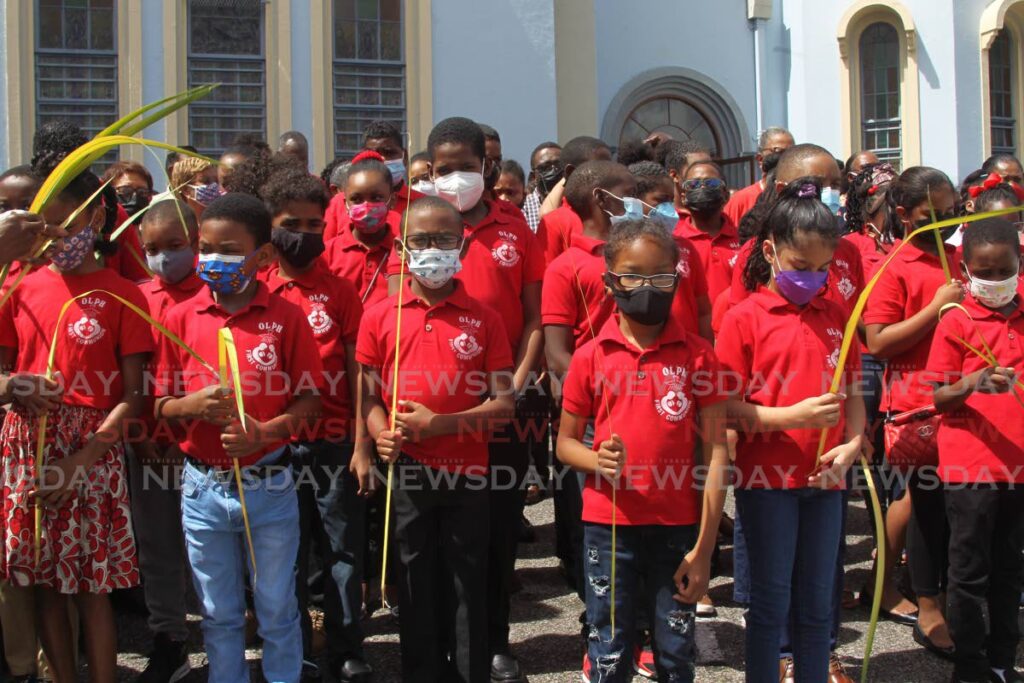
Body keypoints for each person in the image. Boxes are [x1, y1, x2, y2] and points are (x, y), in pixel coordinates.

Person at [387, 116, 544, 682]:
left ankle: (493, 639)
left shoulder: (515, 229)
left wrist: (517, 383)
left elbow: (534, 316)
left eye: (466, 166)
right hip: (431, 415)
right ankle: (431, 653)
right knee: (432, 541)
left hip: (499, 400)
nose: (455, 177)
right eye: (442, 168)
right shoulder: (421, 229)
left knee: (494, 529)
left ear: (488, 167)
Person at [153, 193, 324, 683]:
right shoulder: (181, 316)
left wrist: (266, 433)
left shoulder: (287, 317)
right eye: (205, 247)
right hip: (203, 490)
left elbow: (311, 400)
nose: (211, 259)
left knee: (275, 607)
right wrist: (193, 407)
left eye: (228, 250)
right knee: (218, 611)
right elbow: (160, 405)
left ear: (263, 257)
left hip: (269, 484)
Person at [556, 218, 729, 683]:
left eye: (661, 276)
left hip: (677, 527)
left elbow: (716, 453)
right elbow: (565, 444)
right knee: (609, 646)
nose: (646, 288)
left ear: (678, 277)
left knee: (675, 650)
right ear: (610, 280)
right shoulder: (591, 356)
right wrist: (596, 459)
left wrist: (705, 548)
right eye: (632, 275)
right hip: (607, 527)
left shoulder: (699, 356)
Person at [0, 168, 153, 683]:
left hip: (91, 453)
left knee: (92, 588)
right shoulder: (18, 287)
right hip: (27, 446)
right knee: (44, 583)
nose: (56, 237)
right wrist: (14, 385)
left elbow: (133, 395)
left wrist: (80, 460)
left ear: (95, 217)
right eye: (44, 227)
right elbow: (3, 369)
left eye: (66, 223)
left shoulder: (122, 292)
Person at [355, 196, 515, 682]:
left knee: (468, 578)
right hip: (407, 472)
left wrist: (439, 424)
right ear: (403, 247)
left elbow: (504, 406)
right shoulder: (382, 314)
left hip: (467, 472)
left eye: (444, 240)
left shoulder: (485, 317)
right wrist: (380, 434)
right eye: (421, 241)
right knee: (415, 577)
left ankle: (470, 673)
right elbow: (367, 396)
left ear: (462, 243)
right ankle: (422, 671)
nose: (433, 250)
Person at [718, 178, 866, 683]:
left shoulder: (836, 314)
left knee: (818, 602)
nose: (813, 279)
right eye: (801, 267)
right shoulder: (745, 319)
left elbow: (854, 393)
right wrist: (792, 417)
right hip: (768, 482)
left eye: (824, 269)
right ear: (770, 252)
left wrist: (851, 445)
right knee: (771, 601)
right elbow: (725, 409)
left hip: (826, 482)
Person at [262, 169, 371, 683]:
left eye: (312, 223)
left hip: (333, 442)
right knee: (286, 556)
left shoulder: (340, 290)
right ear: (271, 228)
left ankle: (349, 649)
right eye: (290, 224)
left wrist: (360, 440)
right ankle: (296, 649)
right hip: (275, 447)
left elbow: (357, 370)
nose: (303, 234)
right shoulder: (257, 287)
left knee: (343, 550)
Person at [864, 166, 964, 659]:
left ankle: (959, 597)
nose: (946, 221)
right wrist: (937, 309)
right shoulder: (892, 267)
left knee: (965, 511)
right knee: (929, 511)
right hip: (919, 404)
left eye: (952, 212)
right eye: (934, 215)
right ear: (903, 215)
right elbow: (877, 341)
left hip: (968, 400)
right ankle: (929, 604)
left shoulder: (965, 260)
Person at [928, 218, 1024, 683]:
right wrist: (973, 382)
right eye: (984, 273)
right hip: (971, 467)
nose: (996, 281)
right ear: (965, 271)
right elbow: (938, 396)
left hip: (1019, 467)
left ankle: (1003, 660)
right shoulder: (957, 321)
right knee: (968, 572)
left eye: (1005, 270)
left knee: (1010, 569)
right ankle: (970, 665)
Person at [840, 162, 920, 626]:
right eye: (885, 198)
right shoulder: (851, 246)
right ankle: (879, 583)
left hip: (906, 365)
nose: (893, 208)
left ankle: (890, 569)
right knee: (872, 473)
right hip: (867, 365)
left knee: (898, 476)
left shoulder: (914, 245)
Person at [131, 199, 203, 683]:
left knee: (215, 547)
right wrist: (138, 434)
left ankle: (235, 628)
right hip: (148, 445)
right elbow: (127, 378)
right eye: (153, 249)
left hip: (204, 447)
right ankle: (170, 637)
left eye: (175, 247)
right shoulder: (133, 297)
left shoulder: (218, 293)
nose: (164, 258)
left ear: (196, 243)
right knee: (157, 544)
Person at [324, 152, 400, 308]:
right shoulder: (327, 255)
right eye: (357, 199)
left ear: (392, 201)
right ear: (345, 203)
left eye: (376, 198)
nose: (366, 206)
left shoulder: (403, 252)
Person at [674, 161, 742, 304]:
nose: (702, 188)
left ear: (725, 194)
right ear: (683, 197)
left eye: (711, 183)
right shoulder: (674, 244)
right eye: (693, 185)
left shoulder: (744, 240)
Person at [537, 136, 612, 264]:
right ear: (571, 172)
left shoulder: (618, 212)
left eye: (610, 166)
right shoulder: (555, 222)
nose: (609, 174)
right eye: (599, 168)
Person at [723, 127, 794, 225]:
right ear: (760, 159)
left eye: (791, 152)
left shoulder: (802, 196)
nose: (786, 157)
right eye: (778, 151)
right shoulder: (740, 201)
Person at [663, 140, 714, 219]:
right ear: (674, 175)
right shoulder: (663, 219)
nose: (705, 172)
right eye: (696, 168)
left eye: (709, 166)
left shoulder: (721, 217)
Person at [522, 141, 562, 232]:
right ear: (534, 176)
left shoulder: (577, 203)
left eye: (559, 165)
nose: (554, 171)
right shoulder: (524, 208)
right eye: (545, 167)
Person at [170, 156, 220, 222]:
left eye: (217, 181)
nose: (214, 186)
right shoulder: (176, 227)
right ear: (186, 189)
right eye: (206, 181)